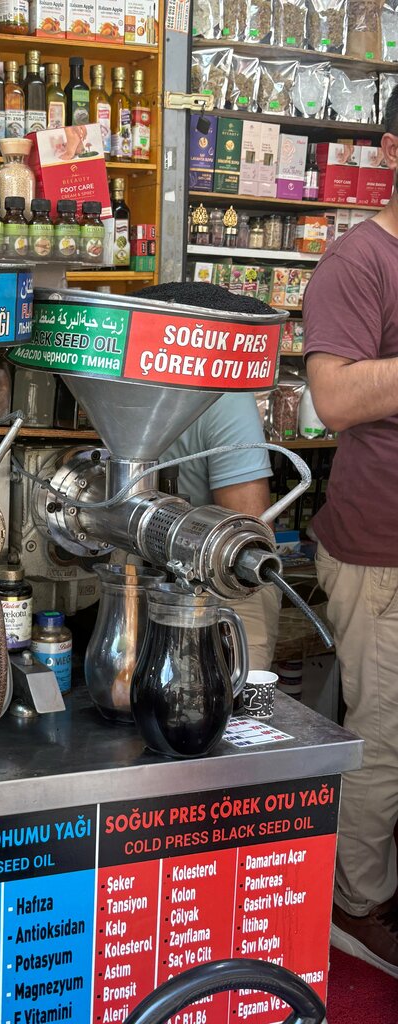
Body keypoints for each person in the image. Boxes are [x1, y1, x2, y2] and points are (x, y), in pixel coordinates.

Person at [302, 84, 398, 978]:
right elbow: (332, 397)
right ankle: (358, 905)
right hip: (383, 550)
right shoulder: (359, 260)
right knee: (386, 739)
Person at [160, 391, 281, 670]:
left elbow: (248, 540)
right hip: (165, 581)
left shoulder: (225, 396)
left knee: (236, 690)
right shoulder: (226, 393)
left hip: (226, 584)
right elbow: (252, 523)